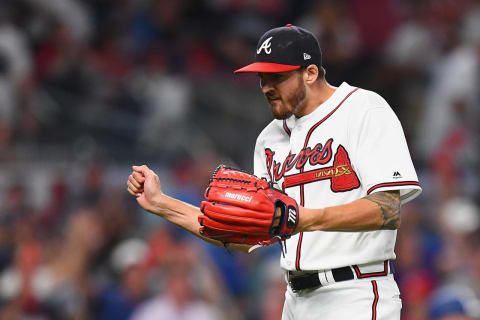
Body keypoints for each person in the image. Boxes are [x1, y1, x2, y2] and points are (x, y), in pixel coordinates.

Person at [126, 24, 422, 319]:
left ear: (310, 73)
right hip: (294, 299)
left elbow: (388, 209)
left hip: (355, 294)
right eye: (262, 77)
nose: (267, 86)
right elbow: (250, 235)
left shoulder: (363, 109)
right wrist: (162, 204)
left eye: (277, 76)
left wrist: (305, 219)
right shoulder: (269, 139)